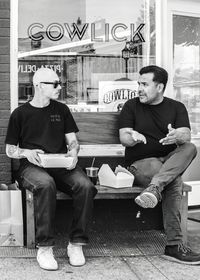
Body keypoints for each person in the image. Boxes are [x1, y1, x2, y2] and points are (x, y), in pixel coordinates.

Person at [5, 68, 97, 270]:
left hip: (60, 163)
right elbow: (10, 150)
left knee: (85, 185)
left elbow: (72, 140)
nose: (59, 87)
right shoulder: (20, 114)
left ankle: (76, 244)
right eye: (54, 84)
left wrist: (73, 152)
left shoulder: (61, 110)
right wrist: (25, 153)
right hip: (31, 167)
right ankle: (45, 248)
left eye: (60, 83)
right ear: (38, 86)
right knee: (46, 184)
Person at [119, 65, 200, 265]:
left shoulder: (176, 107)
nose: (139, 88)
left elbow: (186, 135)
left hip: (168, 161)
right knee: (174, 181)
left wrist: (177, 135)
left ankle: (155, 187)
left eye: (144, 84)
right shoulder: (131, 106)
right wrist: (133, 137)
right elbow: (123, 138)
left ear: (160, 87)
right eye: (138, 83)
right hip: (141, 164)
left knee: (189, 147)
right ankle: (174, 245)